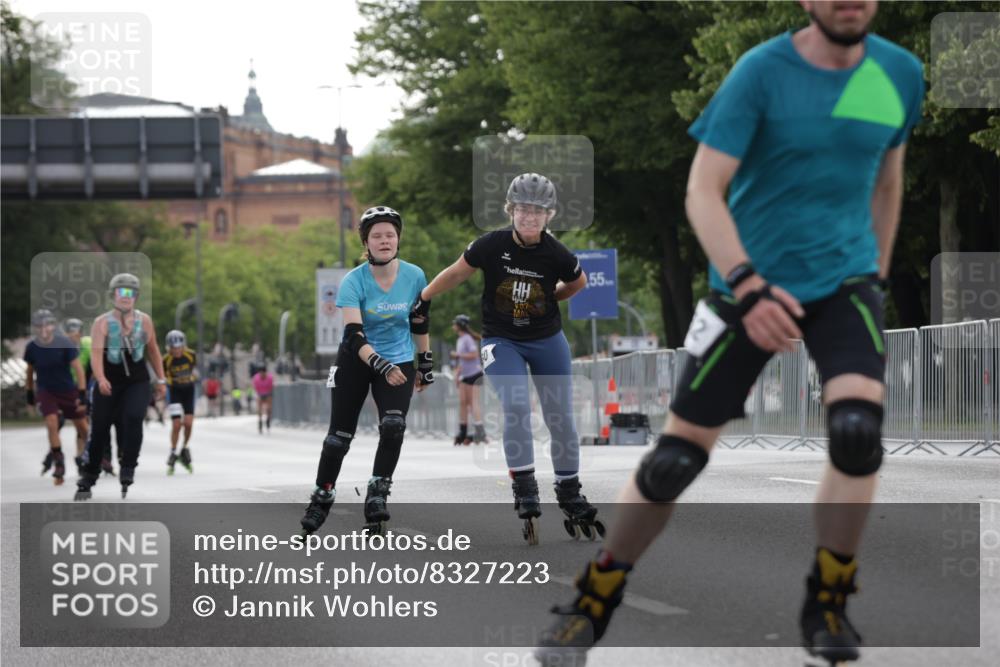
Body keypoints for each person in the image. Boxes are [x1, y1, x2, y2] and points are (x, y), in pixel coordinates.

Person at [536, 2, 924, 664]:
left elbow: (887, 181)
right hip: (745, 284)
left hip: (845, 282)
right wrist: (748, 285)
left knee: (859, 434)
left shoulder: (900, 72)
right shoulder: (760, 72)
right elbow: (703, 190)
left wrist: (876, 278)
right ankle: (594, 594)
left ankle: (828, 596)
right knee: (673, 462)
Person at [414, 173, 598, 544]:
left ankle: (569, 491)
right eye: (524, 210)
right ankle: (525, 486)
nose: (530, 218)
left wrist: (551, 298)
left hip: (547, 338)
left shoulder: (556, 253)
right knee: (515, 405)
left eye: (538, 212)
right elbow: (456, 273)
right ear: (510, 210)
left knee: (559, 414)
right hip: (502, 340)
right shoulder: (490, 245)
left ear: (550, 216)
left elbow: (579, 283)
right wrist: (424, 296)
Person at [299, 206, 433, 537]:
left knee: (393, 425)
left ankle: (377, 492)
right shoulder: (352, 281)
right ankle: (322, 495)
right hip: (356, 361)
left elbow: (419, 321)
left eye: (390, 234)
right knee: (337, 440)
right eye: (377, 236)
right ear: (366, 242)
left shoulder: (415, 276)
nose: (385, 240)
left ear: (398, 238)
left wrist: (426, 361)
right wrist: (380, 365)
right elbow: (353, 335)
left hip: (399, 358)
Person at [75, 273, 168, 500]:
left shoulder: (144, 321)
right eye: (121, 292)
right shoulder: (102, 323)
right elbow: (96, 355)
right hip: (109, 383)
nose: (126, 297)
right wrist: (101, 378)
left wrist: (162, 379)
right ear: (113, 295)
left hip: (137, 382)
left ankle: (128, 465)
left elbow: (153, 350)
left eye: (131, 293)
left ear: (136, 296)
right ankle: (89, 475)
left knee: (134, 417)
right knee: (99, 430)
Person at [24, 309, 88, 486]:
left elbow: (78, 369)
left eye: (47, 325)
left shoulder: (64, 342)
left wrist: (82, 394)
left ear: (53, 326)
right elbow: (29, 372)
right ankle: (59, 463)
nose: (43, 329)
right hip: (46, 391)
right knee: (52, 423)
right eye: (39, 326)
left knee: (82, 426)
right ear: (35, 328)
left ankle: (92, 455)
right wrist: (29, 393)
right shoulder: (32, 347)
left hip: (67, 390)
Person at [163, 329, 197, 474]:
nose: (176, 351)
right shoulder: (166, 360)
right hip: (175, 391)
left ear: (183, 346)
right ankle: (173, 451)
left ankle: (184, 447)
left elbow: (193, 369)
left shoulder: (191, 355)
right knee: (177, 424)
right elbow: (163, 376)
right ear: (169, 348)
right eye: (173, 348)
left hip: (188, 390)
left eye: (179, 348)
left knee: (188, 423)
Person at [450, 314, 486, 446]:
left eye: (455, 323)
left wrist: (457, 354)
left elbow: (474, 354)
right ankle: (463, 431)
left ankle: (480, 431)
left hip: (475, 374)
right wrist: (458, 374)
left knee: (473, 403)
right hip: (465, 375)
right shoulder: (460, 339)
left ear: (459, 325)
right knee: (463, 402)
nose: (453, 326)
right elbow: (462, 361)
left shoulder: (467, 339)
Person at [61, 318, 92, 475]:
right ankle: (80, 457)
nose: (73, 336)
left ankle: (94, 454)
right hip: (69, 389)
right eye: (69, 333)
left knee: (89, 424)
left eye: (76, 333)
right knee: (80, 425)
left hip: (88, 385)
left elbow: (95, 366)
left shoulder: (88, 344)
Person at [252, 363, 275, 434]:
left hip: (268, 393)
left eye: (263, 372)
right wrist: (258, 394)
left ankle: (268, 419)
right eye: (260, 373)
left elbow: (271, 387)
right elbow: (255, 387)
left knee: (269, 408)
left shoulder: (270, 378)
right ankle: (260, 421)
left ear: (265, 372)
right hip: (260, 393)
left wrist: (269, 394)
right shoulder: (256, 378)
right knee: (259, 409)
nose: (262, 374)